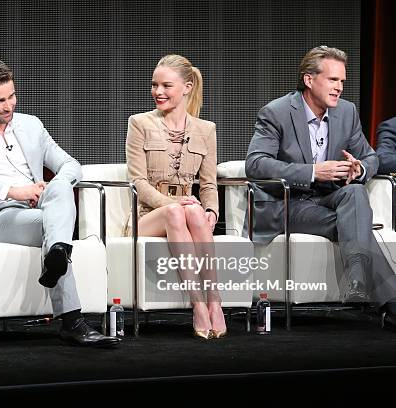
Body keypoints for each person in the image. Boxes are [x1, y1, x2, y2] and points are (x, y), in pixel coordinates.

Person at [0, 57, 120, 347]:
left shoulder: (31, 125)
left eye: (12, 96)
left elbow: (70, 164)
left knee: (60, 191)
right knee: (55, 226)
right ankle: (73, 321)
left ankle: (57, 254)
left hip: (38, 210)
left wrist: (56, 183)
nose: (9, 106)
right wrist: (12, 190)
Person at [245, 45, 396, 324]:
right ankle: (390, 303)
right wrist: (314, 172)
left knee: (353, 191)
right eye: (333, 80)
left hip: (327, 201)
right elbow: (255, 164)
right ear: (309, 79)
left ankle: (358, 279)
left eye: (342, 81)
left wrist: (359, 168)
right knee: (355, 225)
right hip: (287, 204)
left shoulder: (346, 113)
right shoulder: (276, 112)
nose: (339, 87)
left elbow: (371, 157)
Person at [126, 54, 225, 339]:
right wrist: (174, 203)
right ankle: (198, 305)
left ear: (187, 87)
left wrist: (211, 213)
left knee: (193, 211)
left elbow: (208, 185)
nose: (158, 92)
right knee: (177, 211)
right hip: (147, 216)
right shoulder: (139, 123)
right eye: (154, 85)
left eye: (166, 86)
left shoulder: (206, 130)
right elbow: (139, 183)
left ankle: (214, 302)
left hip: (188, 212)